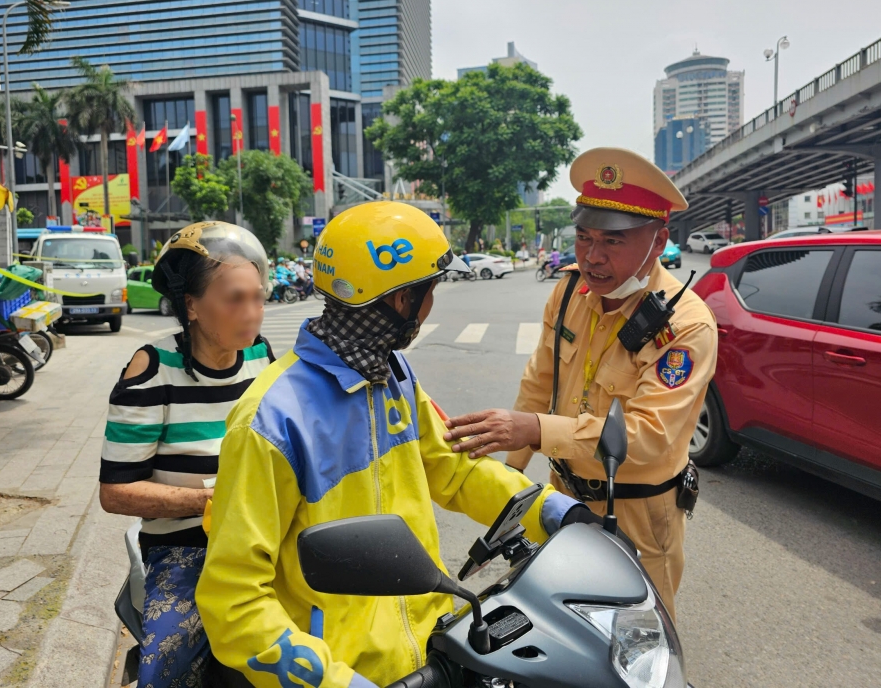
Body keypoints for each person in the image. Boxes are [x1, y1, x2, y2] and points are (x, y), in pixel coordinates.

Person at [196, 203, 615, 688]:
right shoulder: (270, 422)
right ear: (401, 301)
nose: (433, 302)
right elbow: (233, 599)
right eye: (430, 291)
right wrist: (335, 682)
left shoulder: (390, 376)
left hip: (429, 643)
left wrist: (552, 511)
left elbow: (453, 470)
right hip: (346, 670)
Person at [442, 147, 718, 619]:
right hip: (562, 497)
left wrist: (535, 430)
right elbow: (539, 381)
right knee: (567, 622)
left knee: (635, 636)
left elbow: (649, 438)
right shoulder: (570, 291)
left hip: (637, 513)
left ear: (658, 241)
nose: (592, 257)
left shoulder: (687, 326)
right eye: (584, 237)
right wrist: (511, 474)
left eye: (613, 242)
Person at [99, 222, 275, 687]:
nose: (252, 312)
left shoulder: (262, 357)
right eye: (235, 299)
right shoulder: (152, 369)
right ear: (192, 305)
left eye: (258, 297)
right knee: (170, 662)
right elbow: (115, 493)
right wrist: (215, 500)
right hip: (187, 547)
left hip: (265, 540)